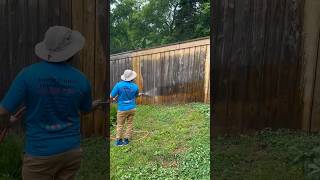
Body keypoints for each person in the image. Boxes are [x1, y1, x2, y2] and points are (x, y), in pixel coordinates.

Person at [0, 26, 103, 180]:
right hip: (71, 151)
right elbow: (86, 109)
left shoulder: (28, 75)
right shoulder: (82, 80)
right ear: (72, 52)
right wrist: (97, 103)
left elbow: (2, 111)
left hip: (39, 155)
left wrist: (8, 121)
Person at [110, 69, 143, 146]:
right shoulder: (135, 86)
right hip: (132, 108)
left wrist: (115, 98)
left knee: (120, 125)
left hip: (122, 109)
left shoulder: (118, 85)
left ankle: (119, 141)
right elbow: (136, 95)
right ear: (132, 78)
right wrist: (139, 94)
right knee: (129, 124)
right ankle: (127, 140)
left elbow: (111, 96)